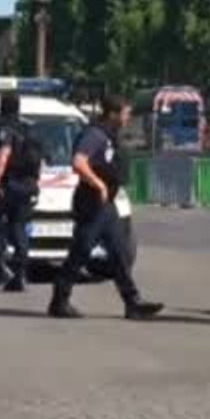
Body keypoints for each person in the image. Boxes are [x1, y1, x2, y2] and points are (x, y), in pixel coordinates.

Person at [49, 94, 163, 320]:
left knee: (119, 252)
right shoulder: (95, 135)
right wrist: (98, 183)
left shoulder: (109, 135)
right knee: (80, 252)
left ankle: (133, 303)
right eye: (125, 113)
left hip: (106, 204)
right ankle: (59, 301)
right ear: (112, 114)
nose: (128, 117)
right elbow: (78, 162)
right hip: (91, 202)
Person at [0, 92, 42, 292]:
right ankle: (20, 274)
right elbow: (39, 160)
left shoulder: (5, 128)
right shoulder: (30, 128)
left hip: (9, 185)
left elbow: (3, 155)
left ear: (1, 107)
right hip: (28, 186)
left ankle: (1, 268)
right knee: (19, 228)